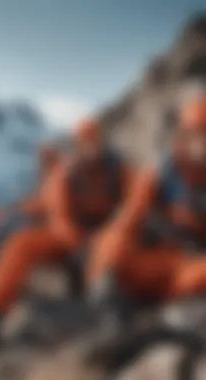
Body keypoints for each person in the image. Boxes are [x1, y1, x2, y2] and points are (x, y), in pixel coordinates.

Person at [0, 117, 132, 367]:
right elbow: (60, 220)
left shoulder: (118, 170)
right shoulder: (65, 175)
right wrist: (84, 247)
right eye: (86, 144)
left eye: (95, 142)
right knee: (21, 245)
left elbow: (136, 203)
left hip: (106, 241)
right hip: (75, 244)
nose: (92, 149)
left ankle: (115, 311)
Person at [87, 93, 206, 329]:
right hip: (150, 264)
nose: (202, 145)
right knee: (111, 241)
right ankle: (114, 308)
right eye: (198, 136)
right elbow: (126, 222)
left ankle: (167, 321)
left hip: (187, 270)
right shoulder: (160, 176)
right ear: (184, 136)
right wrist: (106, 270)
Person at [0, 143, 60, 273]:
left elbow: (48, 205)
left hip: (40, 224)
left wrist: (23, 209)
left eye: (45, 157)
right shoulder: (50, 177)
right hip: (32, 218)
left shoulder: (57, 177)